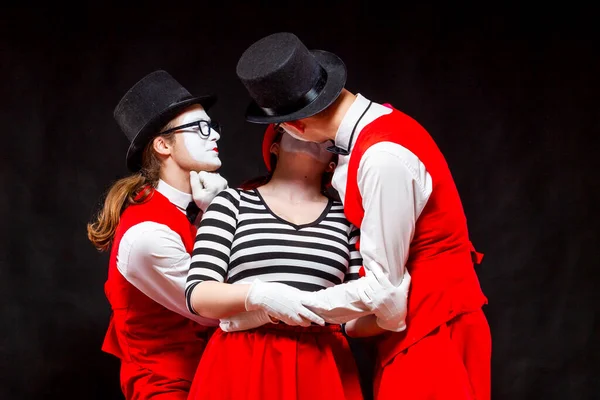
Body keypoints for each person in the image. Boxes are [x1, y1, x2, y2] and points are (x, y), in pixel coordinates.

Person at [234, 32, 491, 400]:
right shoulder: (379, 130)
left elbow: (383, 287)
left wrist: (270, 309)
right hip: (420, 328)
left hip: (434, 331)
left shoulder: (380, 157)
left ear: (295, 127)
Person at [183, 124, 367, 400]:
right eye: (295, 127)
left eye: (320, 132)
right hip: (241, 360)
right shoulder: (231, 203)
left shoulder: (349, 219)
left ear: (333, 161)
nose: (308, 131)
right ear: (274, 147)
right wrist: (260, 296)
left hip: (320, 365)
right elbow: (198, 294)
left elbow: (357, 314)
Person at [86, 70, 228, 400]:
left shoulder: (191, 206)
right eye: (200, 129)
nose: (215, 137)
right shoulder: (147, 235)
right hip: (170, 389)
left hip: (212, 377)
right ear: (163, 145)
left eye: (213, 126)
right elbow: (213, 310)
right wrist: (218, 213)